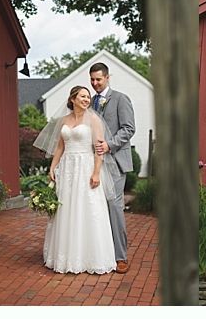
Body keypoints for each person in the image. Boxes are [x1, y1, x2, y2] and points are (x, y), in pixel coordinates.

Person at [34, 86, 117, 274]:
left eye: (88, 97)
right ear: (73, 98)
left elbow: (99, 149)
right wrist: (52, 167)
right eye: (83, 96)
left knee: (87, 208)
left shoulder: (94, 120)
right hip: (67, 168)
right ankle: (65, 256)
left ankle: (90, 257)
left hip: (86, 167)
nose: (86, 99)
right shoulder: (64, 120)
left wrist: (96, 172)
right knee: (66, 209)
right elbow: (60, 147)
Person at [89, 62, 136, 274]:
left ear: (107, 78)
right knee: (95, 207)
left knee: (115, 208)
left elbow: (129, 128)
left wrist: (110, 145)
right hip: (93, 163)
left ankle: (120, 257)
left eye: (98, 79)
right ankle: (99, 254)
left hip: (115, 161)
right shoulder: (87, 102)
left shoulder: (120, 99)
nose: (95, 83)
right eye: (92, 80)